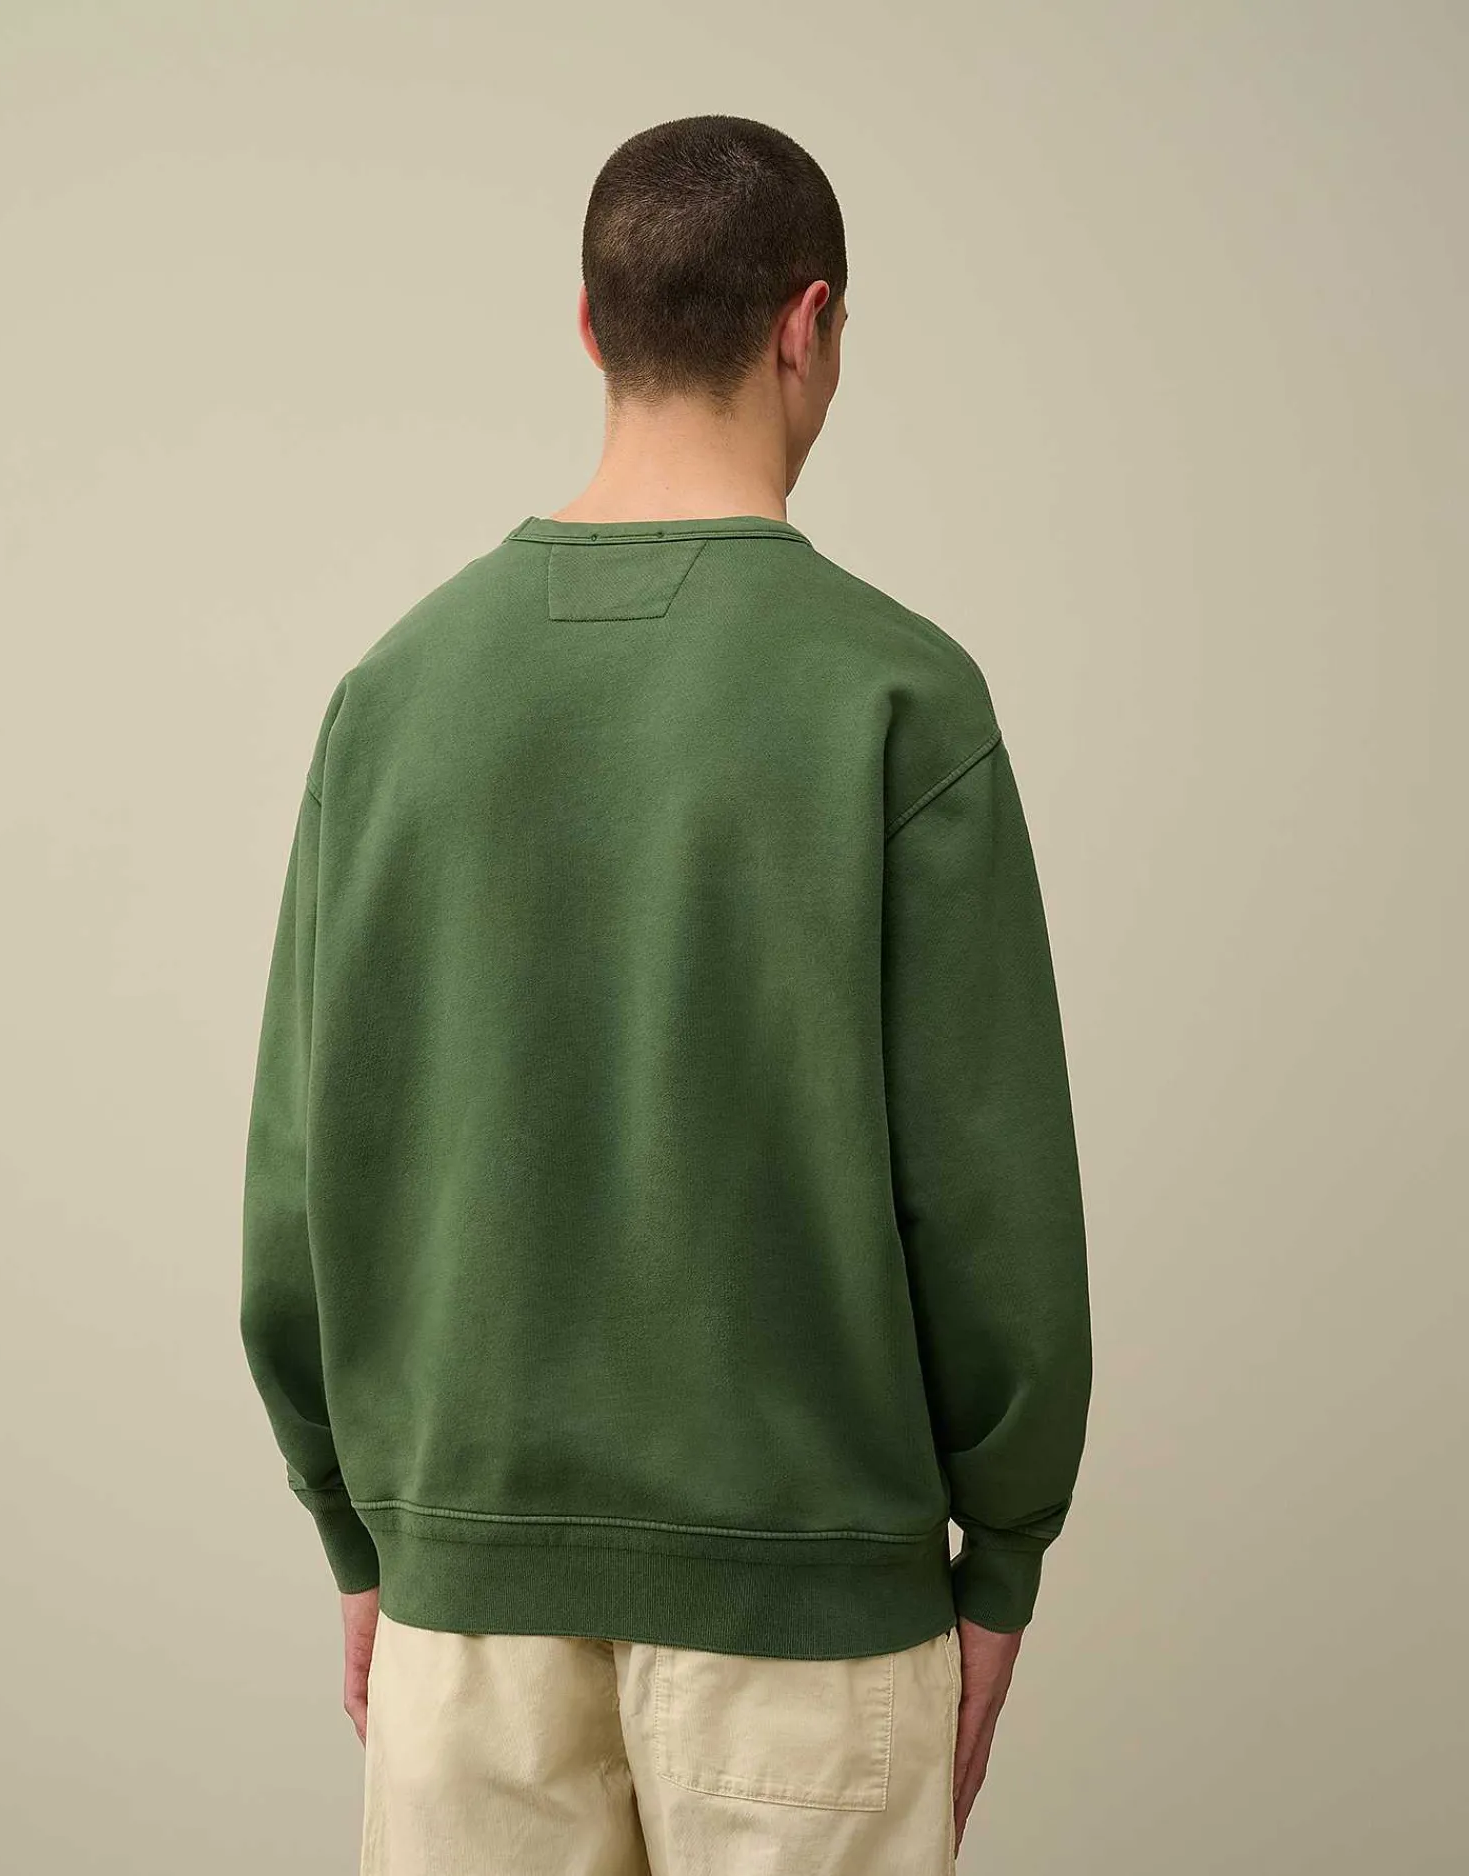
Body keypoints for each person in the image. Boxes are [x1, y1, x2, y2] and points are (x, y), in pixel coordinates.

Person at [240, 112, 1093, 1875]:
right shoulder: (898, 698)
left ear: (588, 325)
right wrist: (1002, 1557)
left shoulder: (391, 698)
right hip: (811, 1613)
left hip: (465, 1601)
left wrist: (358, 1529)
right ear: (809, 325)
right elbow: (989, 1190)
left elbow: (297, 1189)